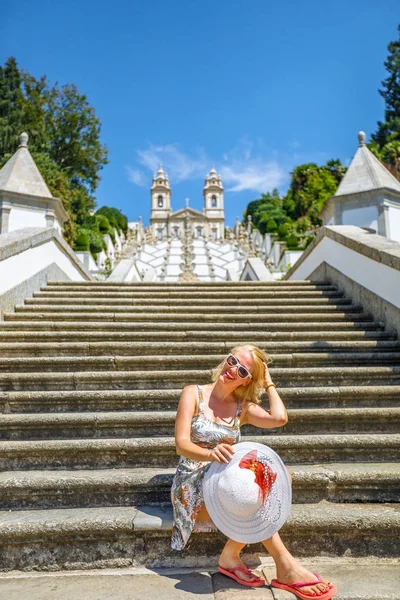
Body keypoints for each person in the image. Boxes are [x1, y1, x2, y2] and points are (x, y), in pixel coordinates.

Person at [171, 344, 336, 599]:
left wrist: (268, 383)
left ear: (247, 381)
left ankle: (233, 555)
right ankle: (284, 566)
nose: (233, 370)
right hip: (192, 481)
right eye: (232, 361)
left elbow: (280, 418)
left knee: (280, 475)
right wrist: (209, 454)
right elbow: (181, 444)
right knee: (258, 493)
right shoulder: (193, 393)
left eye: (243, 371)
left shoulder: (243, 408)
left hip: (228, 481)